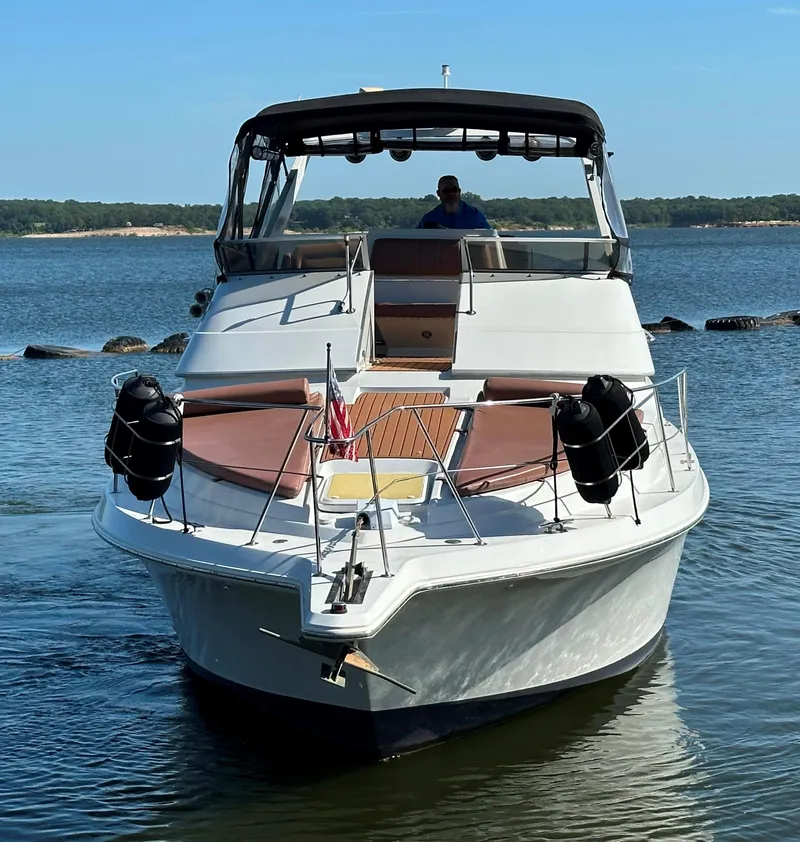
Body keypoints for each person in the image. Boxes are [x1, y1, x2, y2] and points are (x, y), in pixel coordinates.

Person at [416, 175, 491, 229]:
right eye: (446, 190)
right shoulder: (429, 218)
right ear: (438, 193)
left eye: (454, 190)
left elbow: (488, 239)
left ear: (459, 191)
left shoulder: (475, 215)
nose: (451, 193)